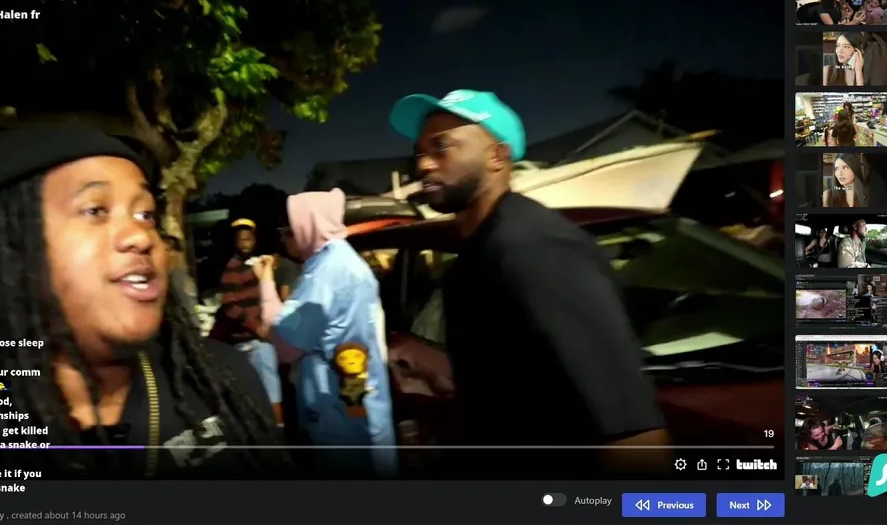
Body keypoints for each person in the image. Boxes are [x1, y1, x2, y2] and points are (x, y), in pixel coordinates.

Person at [0, 125, 289, 477]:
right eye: (95, 210)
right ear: (6, 252)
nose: (140, 235)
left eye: (146, 214)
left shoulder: (223, 381)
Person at [388, 89, 669, 477]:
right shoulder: (476, 256)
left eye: (442, 147)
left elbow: (632, 434)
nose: (423, 164)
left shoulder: (533, 247)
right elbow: (519, 378)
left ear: (497, 156)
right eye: (419, 152)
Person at [253, 189, 397, 476]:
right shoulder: (343, 261)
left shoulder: (325, 276)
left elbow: (285, 343)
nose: (284, 240)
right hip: (362, 403)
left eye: (289, 231)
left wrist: (265, 281)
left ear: (309, 228)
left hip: (340, 421)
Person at [208, 218, 284, 424]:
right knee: (270, 391)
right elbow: (230, 306)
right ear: (234, 242)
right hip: (252, 341)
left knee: (265, 389)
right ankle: (277, 429)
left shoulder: (255, 264)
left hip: (261, 339)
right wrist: (256, 327)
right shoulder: (232, 269)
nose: (245, 244)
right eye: (241, 240)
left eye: (248, 239)